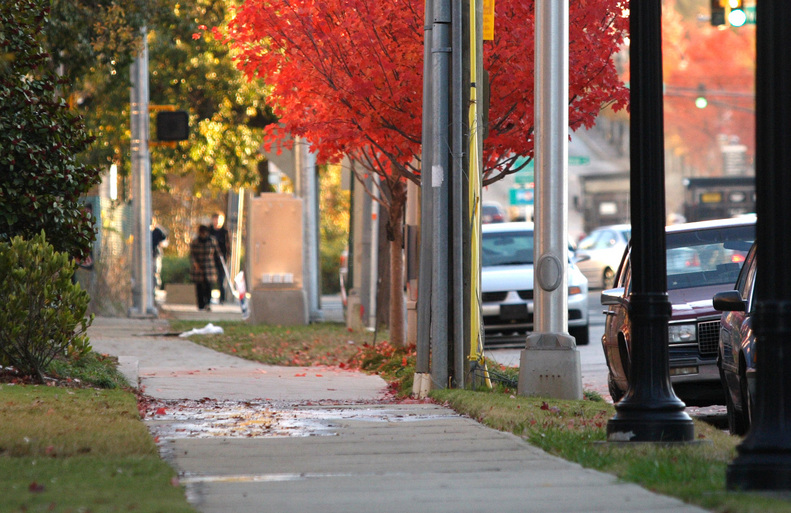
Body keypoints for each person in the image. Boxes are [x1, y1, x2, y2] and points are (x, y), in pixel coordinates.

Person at [189, 224, 218, 311]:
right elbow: (192, 254)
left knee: (209, 285)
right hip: (198, 266)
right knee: (199, 286)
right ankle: (200, 304)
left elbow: (217, 253)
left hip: (209, 266)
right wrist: (195, 264)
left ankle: (208, 303)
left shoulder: (212, 241)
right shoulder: (195, 242)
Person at [209, 212, 230, 304]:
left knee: (221, 279)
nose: (217, 221)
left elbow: (228, 246)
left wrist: (227, 257)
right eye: (216, 219)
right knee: (209, 279)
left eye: (219, 219)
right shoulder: (209, 231)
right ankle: (208, 298)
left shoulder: (225, 232)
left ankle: (222, 299)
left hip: (221, 259)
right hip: (209, 259)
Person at [151, 216, 168, 290]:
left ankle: (155, 288)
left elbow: (165, 240)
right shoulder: (144, 230)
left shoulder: (158, 231)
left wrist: (160, 244)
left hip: (155, 254)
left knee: (155, 270)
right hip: (146, 256)